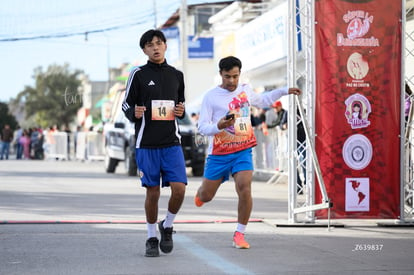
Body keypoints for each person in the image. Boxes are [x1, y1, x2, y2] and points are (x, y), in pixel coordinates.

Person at [194, 56, 301, 249]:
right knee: (206, 196)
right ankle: (200, 195)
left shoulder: (245, 90)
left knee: (245, 187)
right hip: (218, 154)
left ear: (239, 74)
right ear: (220, 75)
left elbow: (264, 100)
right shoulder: (210, 97)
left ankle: (239, 234)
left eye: (235, 76)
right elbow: (202, 127)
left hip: (242, 150)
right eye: (228, 77)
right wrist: (219, 125)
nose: (232, 81)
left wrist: (285, 91)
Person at [122, 29, 187, 257]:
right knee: (153, 192)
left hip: (171, 142)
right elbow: (125, 105)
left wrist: (181, 110)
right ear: (144, 50)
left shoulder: (176, 75)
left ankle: (167, 225)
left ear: (165, 46)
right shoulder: (138, 74)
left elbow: (181, 107)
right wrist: (135, 112)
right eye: (150, 45)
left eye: (159, 43)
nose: (155, 48)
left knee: (179, 189)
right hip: (146, 144)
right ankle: (151, 236)